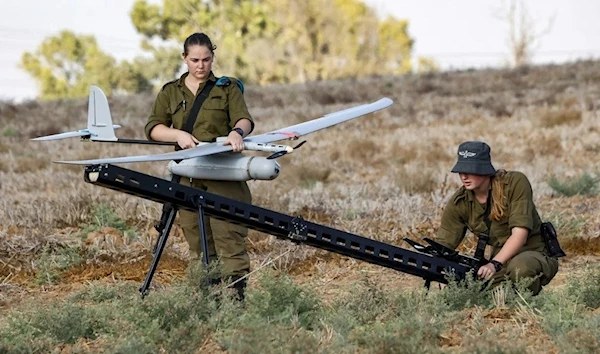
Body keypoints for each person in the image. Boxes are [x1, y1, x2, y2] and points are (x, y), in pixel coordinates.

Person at [144, 32, 254, 300]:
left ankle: (236, 300)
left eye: (206, 59)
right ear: (184, 59)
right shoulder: (171, 91)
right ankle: (207, 301)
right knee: (198, 241)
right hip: (188, 177)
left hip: (223, 175)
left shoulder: (227, 88)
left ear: (213, 57)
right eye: (194, 60)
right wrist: (177, 135)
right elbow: (153, 127)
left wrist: (237, 133)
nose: (201, 65)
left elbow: (244, 119)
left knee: (230, 236)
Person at [435, 141, 559, 295]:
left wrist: (493, 264)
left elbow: (520, 235)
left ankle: (527, 306)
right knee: (466, 292)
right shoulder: (460, 202)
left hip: (534, 253)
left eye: (470, 170)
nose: (464, 176)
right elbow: (443, 245)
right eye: (461, 171)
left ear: (484, 169)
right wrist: (441, 272)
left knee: (521, 268)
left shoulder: (515, 183)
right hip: (500, 262)